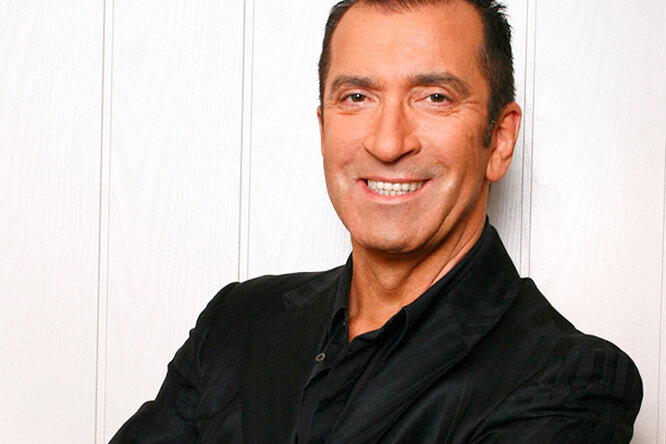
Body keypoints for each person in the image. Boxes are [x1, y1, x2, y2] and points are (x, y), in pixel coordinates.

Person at [111, 0, 642, 442]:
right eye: (357, 97)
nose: (388, 143)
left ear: (499, 140)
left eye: (434, 98)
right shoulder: (236, 322)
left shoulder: (570, 381)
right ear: (323, 127)